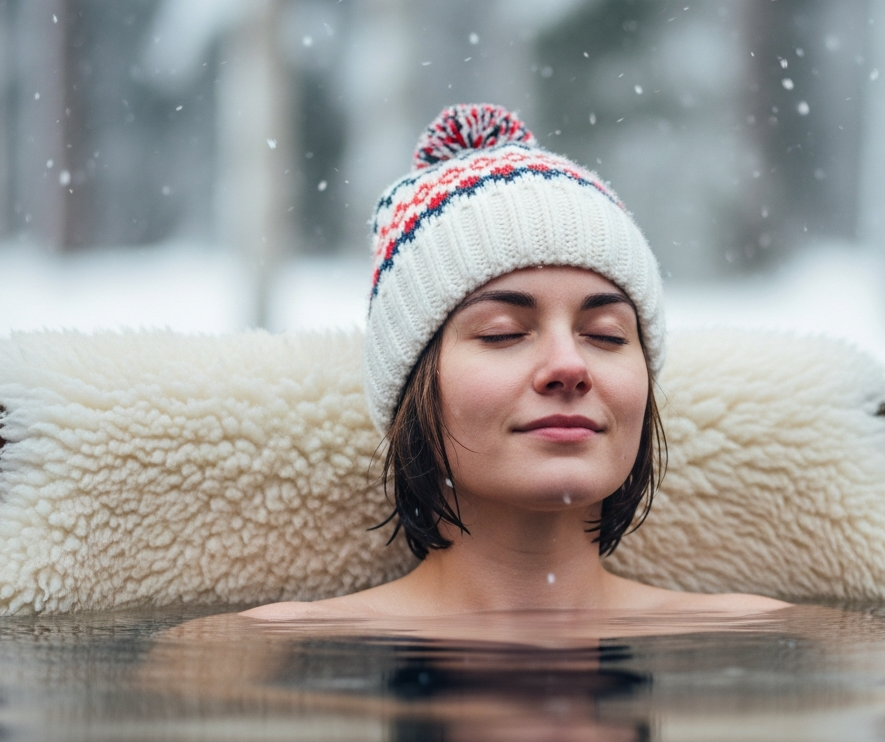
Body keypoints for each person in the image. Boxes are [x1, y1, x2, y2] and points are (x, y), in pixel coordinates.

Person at [244, 104, 787, 621]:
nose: (569, 365)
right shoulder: (260, 650)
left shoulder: (772, 638)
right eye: (503, 334)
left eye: (606, 335)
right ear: (410, 388)